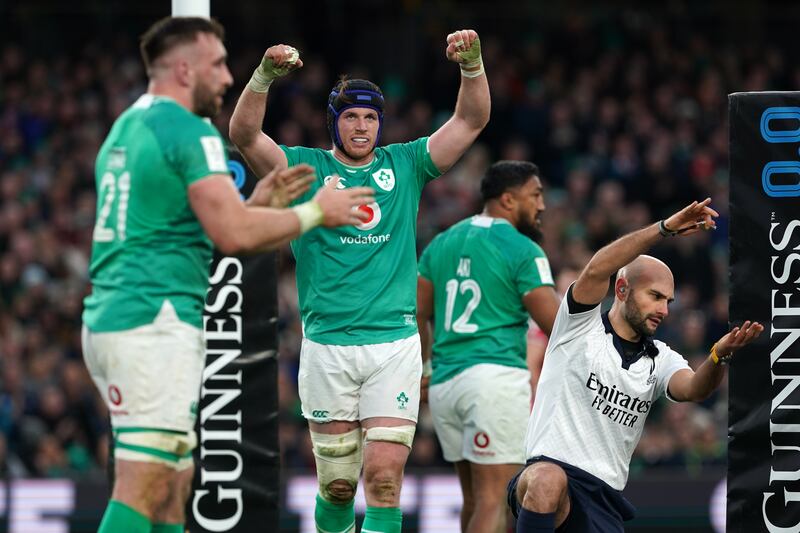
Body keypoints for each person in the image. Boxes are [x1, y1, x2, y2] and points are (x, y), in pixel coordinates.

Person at [80, 17, 373, 533]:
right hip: (153, 322)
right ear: (184, 68)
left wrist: (257, 205)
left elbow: (188, 228)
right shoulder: (189, 131)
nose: (223, 77)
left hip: (120, 316)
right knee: (143, 484)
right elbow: (233, 236)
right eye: (217, 64)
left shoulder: (128, 126)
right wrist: (315, 213)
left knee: (174, 482)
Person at [229, 29, 490, 533]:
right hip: (327, 345)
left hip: (393, 345)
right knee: (338, 486)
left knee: (385, 480)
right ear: (334, 122)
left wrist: (472, 66)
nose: (362, 126)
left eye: (370, 117)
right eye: (351, 116)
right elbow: (243, 135)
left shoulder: (406, 163)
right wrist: (263, 76)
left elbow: (471, 119)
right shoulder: (305, 169)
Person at [507, 198, 764, 533]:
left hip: (603, 502)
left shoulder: (661, 357)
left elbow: (695, 388)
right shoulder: (578, 326)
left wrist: (719, 354)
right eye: (655, 296)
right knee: (546, 479)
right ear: (622, 289)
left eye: (668, 302)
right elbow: (598, 267)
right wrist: (665, 228)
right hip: (547, 478)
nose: (664, 310)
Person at [416, 160, 561, 533]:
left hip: (446, 384)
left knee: (476, 501)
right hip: (492, 382)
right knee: (496, 501)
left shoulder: (441, 243)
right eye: (536, 195)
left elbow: (416, 313)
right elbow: (557, 325)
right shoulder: (522, 249)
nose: (542, 205)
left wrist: (427, 366)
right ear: (509, 200)